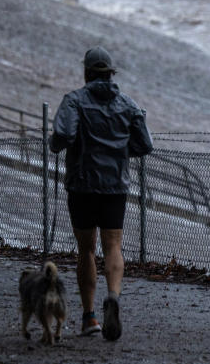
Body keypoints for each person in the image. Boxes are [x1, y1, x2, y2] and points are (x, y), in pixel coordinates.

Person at [50, 47, 153, 341]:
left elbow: (63, 136)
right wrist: (119, 153)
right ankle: (114, 296)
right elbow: (145, 145)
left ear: (86, 73)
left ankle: (89, 317)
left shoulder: (74, 101)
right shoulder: (128, 104)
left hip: (82, 184)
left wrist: (54, 144)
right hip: (114, 186)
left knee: (86, 249)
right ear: (111, 74)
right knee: (113, 245)